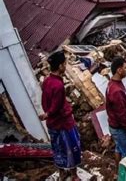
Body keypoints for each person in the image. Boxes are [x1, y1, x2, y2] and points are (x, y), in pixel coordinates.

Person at [39, 51, 81, 180]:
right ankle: (74, 175)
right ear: (61, 66)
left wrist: (47, 114)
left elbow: (45, 101)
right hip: (63, 123)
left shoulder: (47, 81)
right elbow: (57, 106)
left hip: (52, 124)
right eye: (65, 63)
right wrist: (49, 113)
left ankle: (62, 173)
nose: (65, 66)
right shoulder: (58, 85)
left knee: (57, 149)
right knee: (73, 148)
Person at [106, 57, 126, 167]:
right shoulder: (116, 91)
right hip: (119, 129)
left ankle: (117, 171)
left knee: (119, 148)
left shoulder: (113, 83)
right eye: (125, 67)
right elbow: (121, 114)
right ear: (119, 70)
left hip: (115, 126)